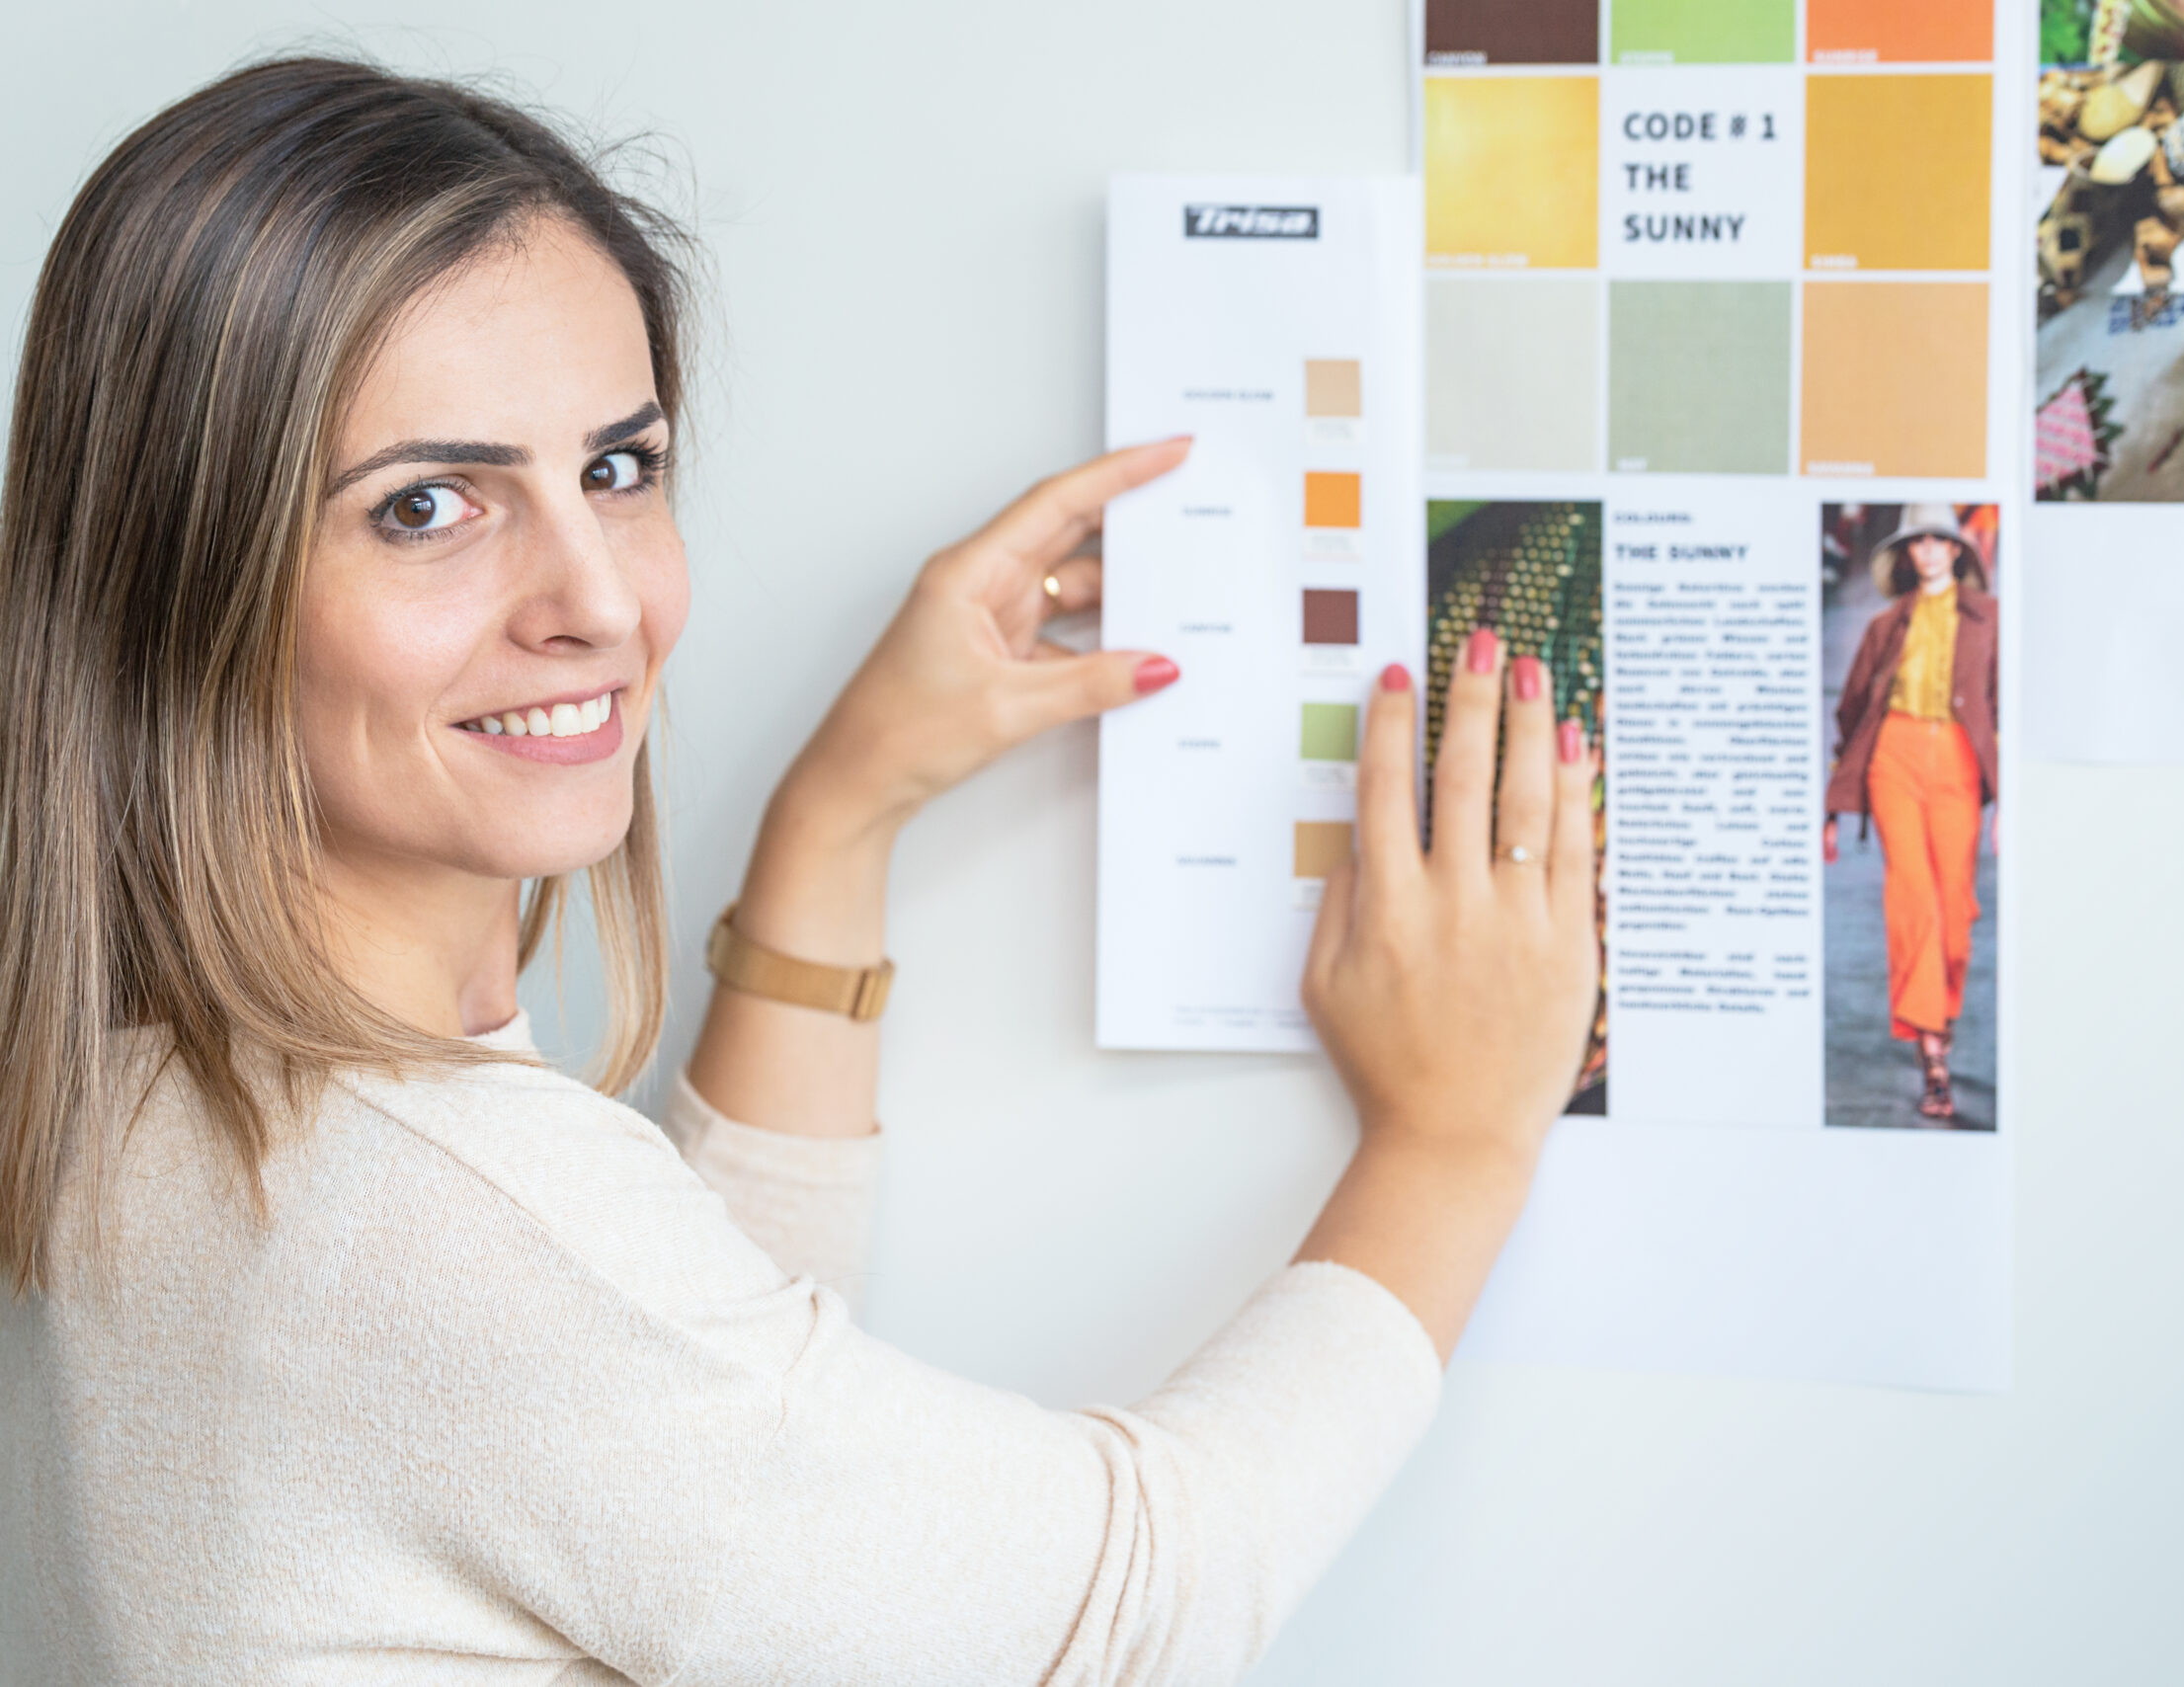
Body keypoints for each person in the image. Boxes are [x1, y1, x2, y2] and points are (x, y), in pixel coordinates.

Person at [0, 59, 1601, 1683]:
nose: (599, 599)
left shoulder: (132, 1108)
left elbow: (687, 1461)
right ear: (178, 576)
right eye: (428, 505)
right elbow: (1130, 1606)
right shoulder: (423, 1214)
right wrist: (1458, 1136)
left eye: (618, 468)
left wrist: (838, 818)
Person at [1821, 506, 1999, 1124]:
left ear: (1956, 551)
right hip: (1893, 757)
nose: (1927, 551)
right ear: (1906, 554)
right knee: (1913, 898)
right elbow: (1851, 712)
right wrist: (1834, 802)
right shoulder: (1883, 626)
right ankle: (1933, 1055)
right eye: (1917, 541)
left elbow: (2003, 710)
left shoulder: (1989, 622)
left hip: (1958, 763)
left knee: (1956, 910)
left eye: (1937, 541)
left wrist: (2008, 799)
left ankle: (1939, 1023)